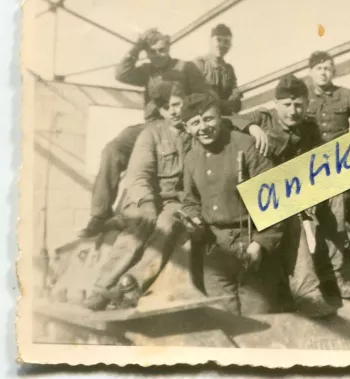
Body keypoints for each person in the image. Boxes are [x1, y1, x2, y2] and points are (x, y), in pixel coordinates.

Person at [237, 74, 350, 311]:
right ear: (276, 104)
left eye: (298, 105)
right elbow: (227, 120)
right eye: (286, 105)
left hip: (292, 189)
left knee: (334, 195)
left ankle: (332, 273)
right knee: (291, 215)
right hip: (261, 193)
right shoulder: (262, 118)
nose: (293, 111)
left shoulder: (309, 128)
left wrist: (313, 191)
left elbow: (315, 162)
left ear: (306, 105)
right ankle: (307, 290)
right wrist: (251, 127)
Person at [78, 29, 207, 238]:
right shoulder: (147, 71)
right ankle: (99, 215)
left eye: (161, 50)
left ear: (169, 46)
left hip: (179, 124)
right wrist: (137, 47)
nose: (157, 56)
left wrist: (189, 114)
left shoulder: (185, 68)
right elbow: (121, 73)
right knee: (112, 149)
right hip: (151, 126)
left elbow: (203, 94)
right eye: (152, 52)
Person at [84, 81, 197, 310]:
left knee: (168, 225)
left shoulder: (195, 132)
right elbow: (139, 174)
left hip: (174, 201)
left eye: (177, 104)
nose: (173, 111)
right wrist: (147, 204)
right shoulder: (151, 134)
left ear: (185, 103)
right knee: (139, 226)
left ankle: (131, 282)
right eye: (167, 108)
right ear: (161, 111)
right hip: (145, 195)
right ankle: (101, 289)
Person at [181, 93, 285, 315]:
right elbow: (190, 201)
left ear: (220, 117)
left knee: (259, 324)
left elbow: (274, 199)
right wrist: (194, 219)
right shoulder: (191, 157)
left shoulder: (245, 145)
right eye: (195, 123)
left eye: (209, 119)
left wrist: (260, 243)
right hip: (215, 253)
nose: (203, 127)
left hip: (252, 248)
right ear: (187, 127)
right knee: (224, 322)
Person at [303, 50, 350, 292]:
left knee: (339, 224)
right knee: (313, 227)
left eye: (327, 68)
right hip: (310, 172)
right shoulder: (301, 98)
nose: (323, 72)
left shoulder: (346, 96)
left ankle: (337, 276)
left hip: (341, 170)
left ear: (334, 71)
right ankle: (320, 277)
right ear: (310, 72)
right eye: (318, 68)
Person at [193, 24, 243, 116]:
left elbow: (235, 98)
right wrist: (226, 104)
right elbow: (198, 97)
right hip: (204, 116)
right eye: (218, 40)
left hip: (224, 116)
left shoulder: (229, 69)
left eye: (226, 41)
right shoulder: (200, 64)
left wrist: (236, 96)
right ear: (210, 41)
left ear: (230, 46)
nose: (222, 45)